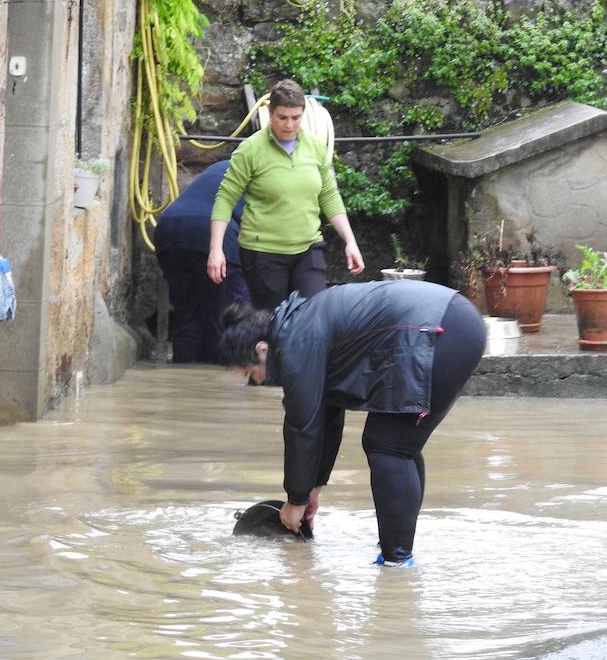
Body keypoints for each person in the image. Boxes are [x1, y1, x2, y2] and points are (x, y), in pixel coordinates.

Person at [218, 280, 486, 567]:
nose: (254, 381)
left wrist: (295, 501)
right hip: (449, 320)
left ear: (261, 349)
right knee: (397, 443)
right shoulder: (298, 328)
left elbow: (302, 427)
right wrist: (312, 488)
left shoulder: (296, 344)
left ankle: (397, 562)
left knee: (389, 445)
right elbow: (327, 417)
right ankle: (397, 546)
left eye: (249, 372)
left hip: (440, 329)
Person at [207, 79, 364, 310]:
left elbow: (329, 196)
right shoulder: (250, 149)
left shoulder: (315, 147)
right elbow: (225, 198)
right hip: (263, 253)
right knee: (274, 323)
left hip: (308, 248)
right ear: (270, 113)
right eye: (282, 117)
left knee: (311, 317)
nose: (289, 125)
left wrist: (350, 242)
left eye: (296, 117)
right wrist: (216, 250)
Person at [154, 160, 250, 363]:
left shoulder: (220, 166)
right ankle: (218, 377)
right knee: (225, 317)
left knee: (186, 315)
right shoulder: (262, 169)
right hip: (212, 234)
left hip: (168, 229)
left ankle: (184, 371)